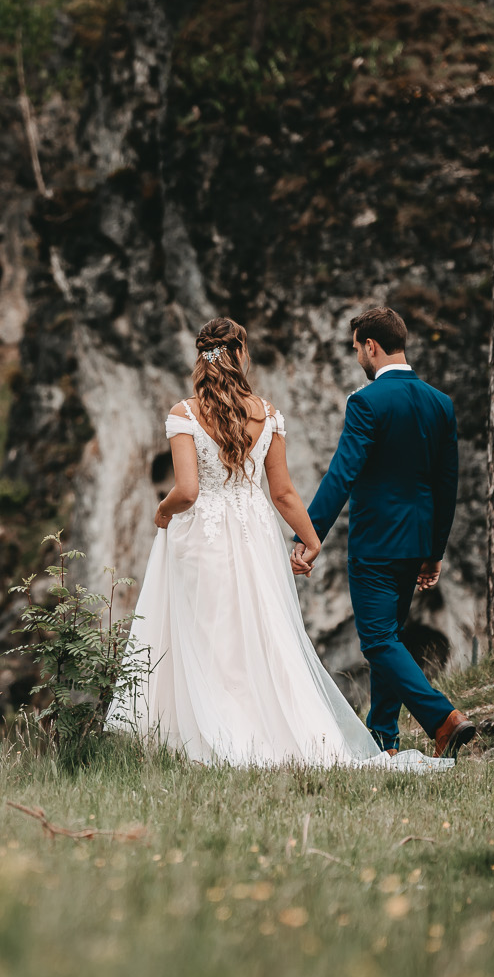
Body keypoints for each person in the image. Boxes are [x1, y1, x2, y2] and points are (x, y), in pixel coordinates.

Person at [110, 317, 450, 771]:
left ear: (203, 357)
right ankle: (273, 730)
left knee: (206, 633)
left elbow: (187, 491)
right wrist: (309, 541)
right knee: (263, 632)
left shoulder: (184, 414)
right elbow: (284, 494)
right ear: (240, 355)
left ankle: (212, 733)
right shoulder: (267, 415)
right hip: (254, 536)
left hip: (202, 536)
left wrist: (162, 511)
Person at [301, 306, 476, 758]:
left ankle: (443, 719)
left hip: (376, 543)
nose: (357, 355)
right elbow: (446, 485)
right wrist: (434, 552)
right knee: (390, 639)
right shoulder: (440, 403)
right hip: (416, 542)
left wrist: (309, 533)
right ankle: (384, 741)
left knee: (378, 641)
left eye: (357, 347)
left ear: (371, 346)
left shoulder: (367, 402)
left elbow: (343, 473)